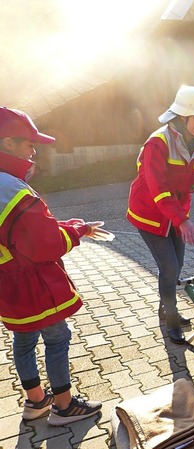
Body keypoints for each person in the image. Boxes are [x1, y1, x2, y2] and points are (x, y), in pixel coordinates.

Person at [0, 107, 106, 425]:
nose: (33, 152)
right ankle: (63, 406)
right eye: (29, 145)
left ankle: (35, 402)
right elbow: (45, 244)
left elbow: (22, 233)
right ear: (7, 143)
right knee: (58, 338)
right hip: (32, 284)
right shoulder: (10, 189)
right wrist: (75, 230)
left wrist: (69, 224)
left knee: (23, 338)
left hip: (8, 283)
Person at [127, 85, 194, 344]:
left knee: (177, 265)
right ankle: (171, 318)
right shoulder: (158, 143)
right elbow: (158, 189)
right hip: (149, 214)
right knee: (169, 265)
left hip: (177, 216)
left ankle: (166, 308)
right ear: (182, 116)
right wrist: (183, 220)